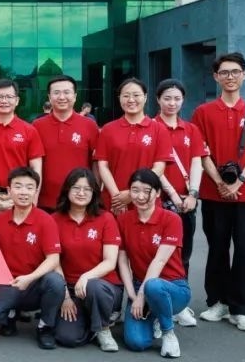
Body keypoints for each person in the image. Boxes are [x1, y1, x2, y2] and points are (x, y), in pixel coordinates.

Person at [191, 52, 245, 332]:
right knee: (217, 248)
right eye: (224, 72)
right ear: (216, 77)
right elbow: (201, 152)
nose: (230, 77)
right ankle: (218, 301)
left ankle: (242, 308)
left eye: (235, 72)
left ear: (244, 75)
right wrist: (220, 183)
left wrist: (240, 181)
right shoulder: (203, 112)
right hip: (213, 193)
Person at [0, 167, 65, 349]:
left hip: (35, 284)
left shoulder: (46, 221)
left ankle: (45, 327)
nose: (23, 192)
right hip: (7, 284)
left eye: (29, 187)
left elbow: (53, 259)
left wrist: (29, 278)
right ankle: (10, 315)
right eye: (18, 186)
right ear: (9, 191)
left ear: (36, 191)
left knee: (55, 281)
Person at [117, 169, 191, 358]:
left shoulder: (171, 219)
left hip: (173, 287)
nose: (140, 196)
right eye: (135, 190)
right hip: (139, 286)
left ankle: (168, 333)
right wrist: (133, 295)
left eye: (146, 191)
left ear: (157, 193)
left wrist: (142, 294)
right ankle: (156, 314)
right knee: (136, 342)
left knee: (153, 286)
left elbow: (159, 260)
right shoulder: (123, 220)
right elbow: (123, 261)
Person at [51, 168, 123, 352]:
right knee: (67, 338)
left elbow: (110, 261)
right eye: (76, 188)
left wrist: (86, 277)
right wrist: (65, 296)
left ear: (94, 193)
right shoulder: (55, 220)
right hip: (71, 289)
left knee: (94, 286)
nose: (81, 193)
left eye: (87, 189)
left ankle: (103, 329)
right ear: (67, 190)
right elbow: (54, 261)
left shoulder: (106, 218)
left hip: (103, 287)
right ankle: (92, 323)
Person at [154, 78, 206, 327]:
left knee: (183, 254)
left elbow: (197, 162)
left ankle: (179, 303)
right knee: (158, 254)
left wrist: (193, 193)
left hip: (188, 201)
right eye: (167, 98)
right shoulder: (152, 127)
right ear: (158, 100)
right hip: (160, 201)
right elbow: (155, 167)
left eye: (177, 98)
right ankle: (158, 304)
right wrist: (174, 195)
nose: (172, 103)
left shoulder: (191, 130)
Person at [94, 78, 173, 213]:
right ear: (119, 98)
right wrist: (117, 198)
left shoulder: (159, 129)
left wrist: (133, 194)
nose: (131, 100)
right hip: (114, 202)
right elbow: (102, 166)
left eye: (136, 95)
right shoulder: (108, 129)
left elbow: (159, 167)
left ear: (145, 97)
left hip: (146, 200)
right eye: (126, 96)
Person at [0, 78, 44, 219]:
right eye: (0, 97)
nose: (4, 100)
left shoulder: (29, 131)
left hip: (19, 196)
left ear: (17, 100)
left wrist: (34, 198)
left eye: (9, 97)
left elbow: (36, 168)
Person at [33, 75, 98, 212]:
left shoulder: (89, 126)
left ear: (75, 96)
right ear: (49, 97)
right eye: (56, 93)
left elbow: (96, 164)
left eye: (67, 92)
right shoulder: (37, 126)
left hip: (79, 202)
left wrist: (94, 194)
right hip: (44, 202)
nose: (62, 97)